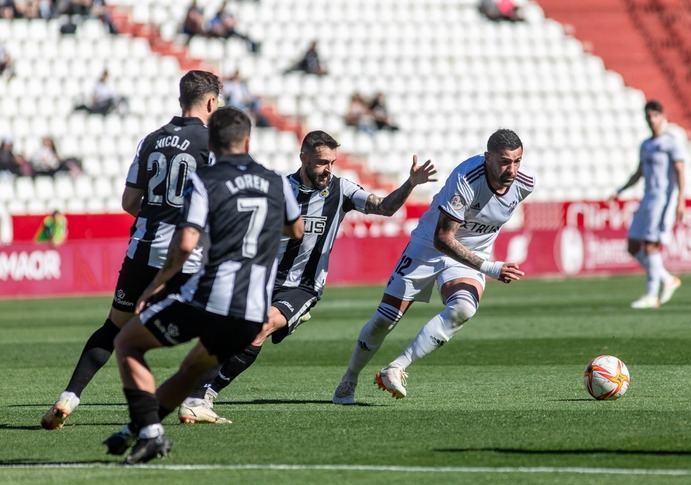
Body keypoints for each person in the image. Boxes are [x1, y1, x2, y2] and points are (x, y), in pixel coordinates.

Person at [177, 130, 437, 424]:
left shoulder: (342, 190)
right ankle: (196, 393)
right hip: (262, 280)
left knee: (260, 328)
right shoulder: (279, 188)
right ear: (303, 158)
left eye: (332, 162)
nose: (327, 169)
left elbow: (385, 208)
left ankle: (205, 395)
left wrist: (410, 183)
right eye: (321, 162)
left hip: (303, 285)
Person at [104, 107, 303, 464]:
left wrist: (157, 284)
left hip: (210, 299)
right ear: (248, 141)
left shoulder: (205, 180)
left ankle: (149, 433)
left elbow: (184, 244)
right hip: (252, 312)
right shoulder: (277, 182)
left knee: (126, 343)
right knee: (192, 369)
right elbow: (296, 230)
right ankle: (140, 430)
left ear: (211, 142)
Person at [40, 70, 222, 430]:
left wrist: (158, 214)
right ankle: (192, 401)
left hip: (141, 249)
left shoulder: (150, 140)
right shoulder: (213, 142)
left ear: (180, 98)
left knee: (112, 328)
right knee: (228, 326)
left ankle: (69, 397)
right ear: (212, 102)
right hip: (185, 253)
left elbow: (129, 201)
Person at [332, 129, 534, 404]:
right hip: (429, 245)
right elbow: (443, 238)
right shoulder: (466, 178)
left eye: (517, 161)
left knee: (463, 308)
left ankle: (396, 368)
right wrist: (491, 268)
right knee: (385, 319)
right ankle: (349, 379)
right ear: (487, 158)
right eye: (504, 161)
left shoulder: (524, 184)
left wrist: (482, 261)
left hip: (471, 253)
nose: (511, 169)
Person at [609, 100, 685, 309]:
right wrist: (620, 190)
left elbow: (680, 171)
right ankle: (667, 278)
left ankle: (652, 294)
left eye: (654, 116)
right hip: (647, 198)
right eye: (648, 117)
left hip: (663, 199)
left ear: (662, 116)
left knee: (651, 244)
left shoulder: (672, 142)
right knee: (633, 245)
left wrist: (681, 201)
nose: (651, 120)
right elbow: (639, 173)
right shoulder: (646, 145)